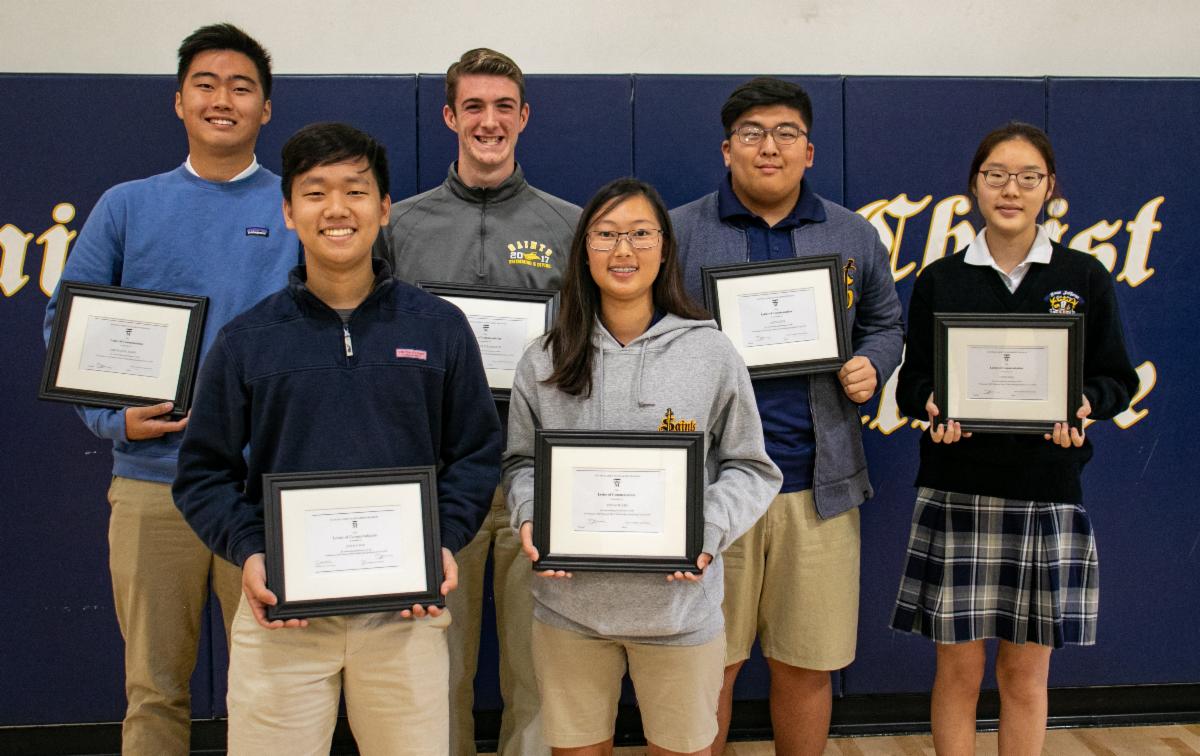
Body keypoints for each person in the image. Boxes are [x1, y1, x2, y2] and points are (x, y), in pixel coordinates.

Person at [173, 122, 501, 755]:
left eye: (355, 190)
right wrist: (250, 551)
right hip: (283, 614)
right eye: (316, 192)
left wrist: (441, 540)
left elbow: (475, 453)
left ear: (384, 207)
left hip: (404, 616)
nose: (337, 209)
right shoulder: (247, 340)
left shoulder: (439, 327)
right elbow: (203, 472)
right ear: (288, 211)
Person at [42, 23, 297, 755]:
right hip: (155, 488)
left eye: (241, 88)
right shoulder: (127, 206)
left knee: (271, 690)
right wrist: (113, 420)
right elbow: (68, 325)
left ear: (265, 108)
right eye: (206, 85)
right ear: (179, 100)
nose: (223, 100)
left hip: (263, 492)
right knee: (153, 691)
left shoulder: (298, 207)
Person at [503, 177, 782, 756]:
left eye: (639, 234)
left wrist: (705, 529)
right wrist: (531, 515)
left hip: (680, 613)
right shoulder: (545, 357)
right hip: (569, 612)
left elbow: (752, 468)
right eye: (606, 234)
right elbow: (522, 462)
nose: (623, 250)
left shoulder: (711, 352)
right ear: (584, 249)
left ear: (664, 247)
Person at [671, 77, 904, 754]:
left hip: (819, 488)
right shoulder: (680, 232)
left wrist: (874, 363)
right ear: (727, 149)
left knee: (808, 664)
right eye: (752, 134)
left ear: (809, 150)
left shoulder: (851, 233)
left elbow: (886, 323)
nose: (768, 147)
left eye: (785, 134)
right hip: (713, 489)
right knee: (708, 664)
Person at [891, 121, 1138, 755]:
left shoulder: (1082, 275)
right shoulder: (941, 278)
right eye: (996, 175)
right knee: (958, 672)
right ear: (974, 186)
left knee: (1025, 675)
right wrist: (932, 403)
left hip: (1045, 490)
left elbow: (1119, 379)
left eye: (1028, 177)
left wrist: (1085, 403)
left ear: (1049, 188)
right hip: (957, 489)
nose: (1011, 189)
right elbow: (911, 383)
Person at [376, 47, 580, 756]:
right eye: (473, 107)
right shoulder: (399, 226)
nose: (488, 122)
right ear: (449, 116)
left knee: (539, 673)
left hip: (536, 478)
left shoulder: (568, 226)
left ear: (523, 117)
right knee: (434, 671)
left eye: (502, 107)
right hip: (436, 480)